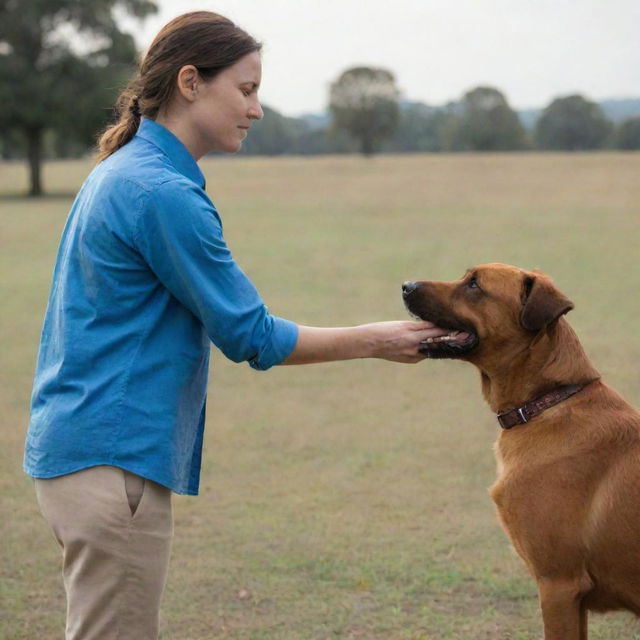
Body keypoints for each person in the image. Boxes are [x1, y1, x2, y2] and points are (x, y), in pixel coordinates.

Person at [24, 11, 446, 640]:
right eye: (246, 90)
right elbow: (252, 336)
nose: (257, 108)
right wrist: (378, 340)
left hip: (81, 455)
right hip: (111, 463)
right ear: (191, 82)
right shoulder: (161, 192)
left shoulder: (124, 171)